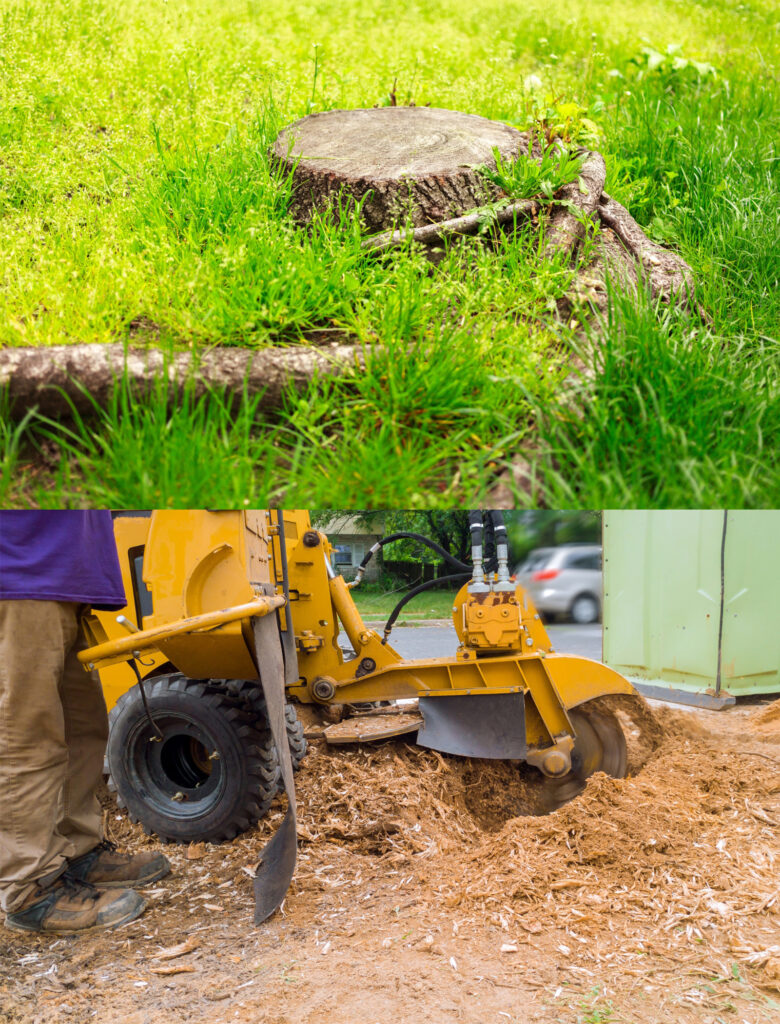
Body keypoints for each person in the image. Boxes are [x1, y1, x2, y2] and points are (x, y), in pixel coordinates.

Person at [0, 510, 170, 934]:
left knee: (84, 730)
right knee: (26, 735)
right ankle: (29, 887)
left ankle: (78, 850)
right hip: (19, 570)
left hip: (67, 577)